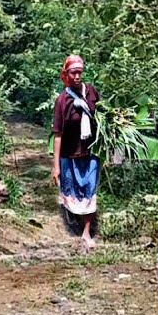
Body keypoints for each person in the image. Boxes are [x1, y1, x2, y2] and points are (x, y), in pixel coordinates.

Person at [51, 55, 101, 252]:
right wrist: (56, 166)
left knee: (89, 190)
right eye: (73, 73)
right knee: (71, 191)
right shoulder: (62, 101)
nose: (78, 76)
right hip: (69, 155)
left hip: (90, 153)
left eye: (80, 72)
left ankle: (86, 231)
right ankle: (73, 219)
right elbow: (58, 135)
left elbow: (102, 118)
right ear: (66, 75)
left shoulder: (91, 93)